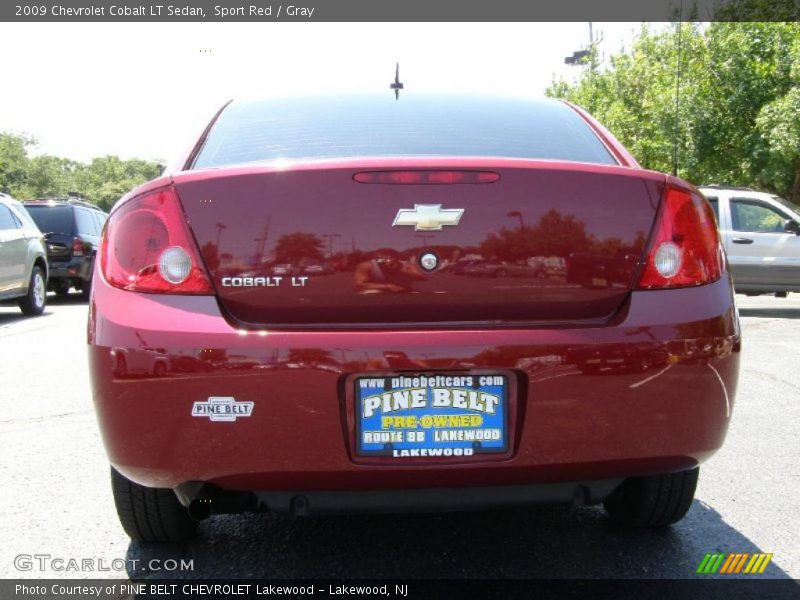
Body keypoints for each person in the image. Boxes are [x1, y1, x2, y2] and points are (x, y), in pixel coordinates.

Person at [354, 248, 426, 294]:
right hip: (377, 291)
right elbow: (359, 285)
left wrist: (404, 271)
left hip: (404, 291)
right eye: (380, 258)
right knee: (369, 294)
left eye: (389, 258)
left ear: (397, 258)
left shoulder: (407, 265)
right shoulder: (366, 266)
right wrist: (387, 287)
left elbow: (422, 278)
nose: (384, 261)